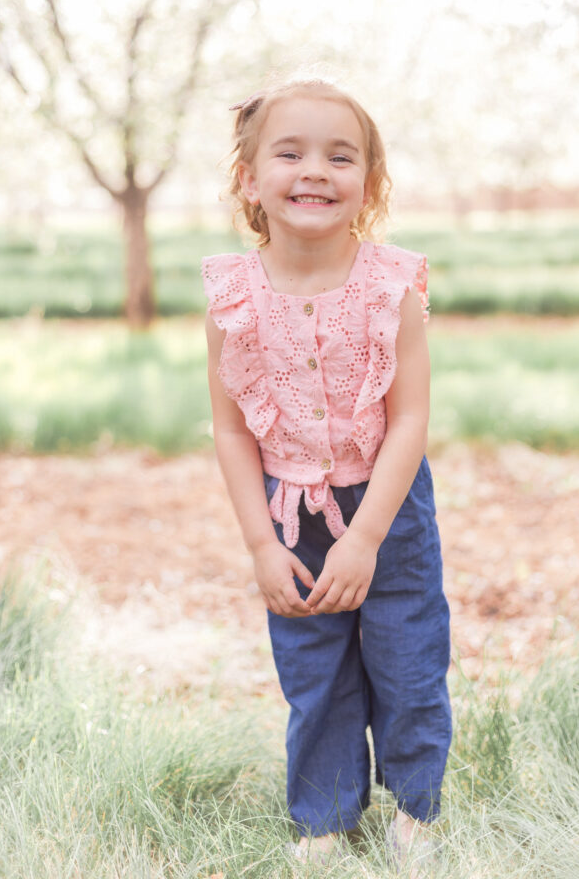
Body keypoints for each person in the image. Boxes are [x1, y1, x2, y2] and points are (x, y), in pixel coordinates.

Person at [202, 78, 452, 867]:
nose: (314, 170)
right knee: (315, 673)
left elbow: (409, 418)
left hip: (386, 506)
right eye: (290, 152)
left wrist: (367, 538)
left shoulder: (390, 288)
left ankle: (416, 809)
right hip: (289, 512)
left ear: (368, 186)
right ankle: (324, 819)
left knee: (406, 662)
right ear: (248, 179)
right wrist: (260, 546)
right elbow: (230, 429)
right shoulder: (232, 296)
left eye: (339, 157)